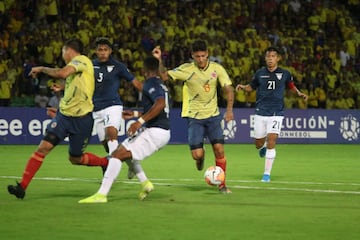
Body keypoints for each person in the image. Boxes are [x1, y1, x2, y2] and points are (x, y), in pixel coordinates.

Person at [7, 38, 108, 199]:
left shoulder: (81, 60)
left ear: (68, 50)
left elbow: (61, 72)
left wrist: (40, 68)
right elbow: (74, 86)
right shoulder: (76, 69)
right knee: (43, 148)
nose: (63, 56)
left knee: (75, 158)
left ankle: (105, 163)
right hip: (63, 117)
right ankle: (22, 187)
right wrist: (62, 90)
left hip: (82, 120)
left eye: (63, 52)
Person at [79, 56, 170, 203]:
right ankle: (145, 183)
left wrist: (139, 122)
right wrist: (134, 114)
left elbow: (160, 104)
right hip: (158, 130)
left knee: (116, 155)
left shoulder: (150, 83)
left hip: (155, 131)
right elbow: (157, 108)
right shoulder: (161, 85)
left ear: (144, 70)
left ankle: (102, 194)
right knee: (122, 149)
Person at [152, 40, 234, 194]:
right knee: (197, 155)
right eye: (198, 57)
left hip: (213, 116)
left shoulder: (217, 69)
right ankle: (201, 158)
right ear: (193, 56)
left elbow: (229, 89)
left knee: (219, 150)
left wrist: (229, 110)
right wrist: (159, 60)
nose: (201, 59)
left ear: (207, 54)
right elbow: (164, 76)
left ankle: (222, 185)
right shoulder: (186, 69)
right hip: (194, 118)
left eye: (203, 56)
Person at [236, 46, 308, 183]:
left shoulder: (285, 73)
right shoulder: (259, 73)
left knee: (272, 140)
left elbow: (291, 86)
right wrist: (243, 87)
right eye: (268, 56)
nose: (270, 59)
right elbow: (252, 86)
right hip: (260, 111)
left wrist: (299, 93)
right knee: (258, 143)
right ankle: (261, 148)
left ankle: (266, 174)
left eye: (273, 56)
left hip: (276, 112)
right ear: (265, 58)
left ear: (278, 58)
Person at [91, 37, 144, 179]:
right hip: (96, 109)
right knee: (106, 144)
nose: (102, 52)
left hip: (112, 105)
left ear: (110, 51)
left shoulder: (118, 66)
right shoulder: (90, 65)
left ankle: (110, 173)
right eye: (100, 50)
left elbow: (135, 83)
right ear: (96, 51)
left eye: (105, 50)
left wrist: (151, 93)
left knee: (111, 136)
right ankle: (132, 164)